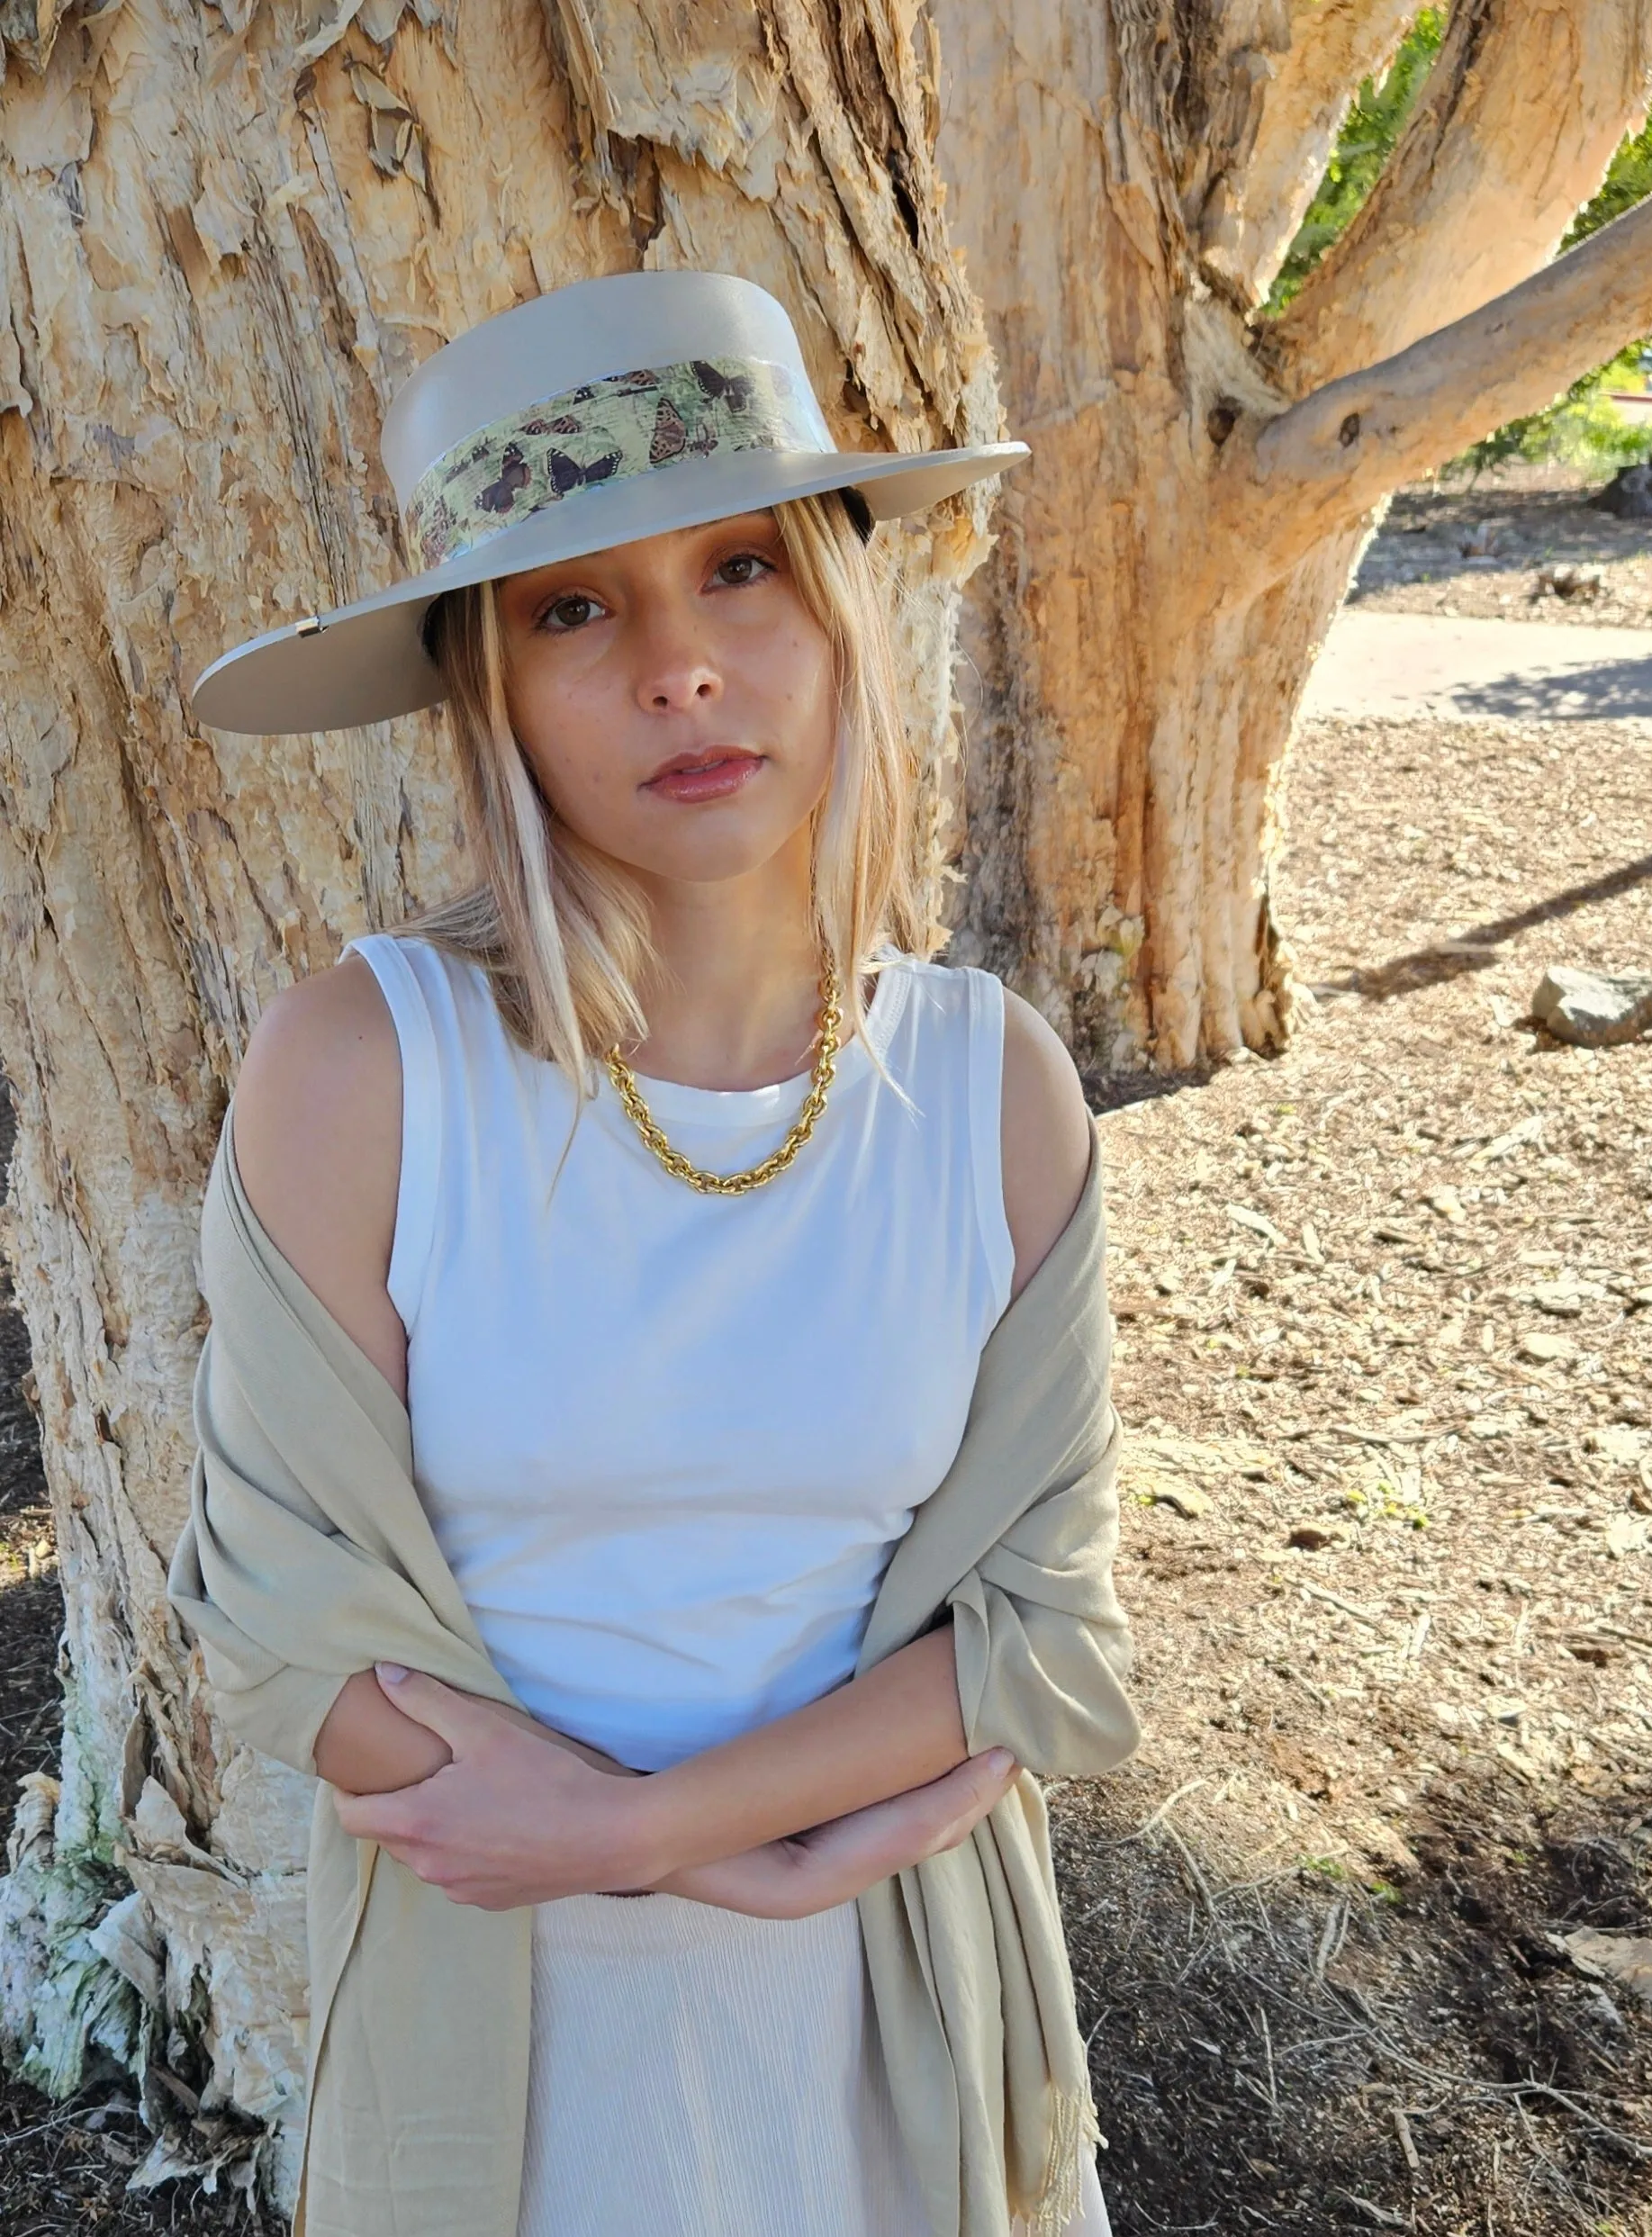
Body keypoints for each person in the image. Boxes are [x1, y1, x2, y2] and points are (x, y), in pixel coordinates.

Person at [186, 269, 1121, 2236]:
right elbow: (282, 1620)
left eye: (741, 573)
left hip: (891, 2004)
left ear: (843, 613)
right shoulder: (365, 1069)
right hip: (499, 2016)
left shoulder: (987, 1092)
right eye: (574, 608)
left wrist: (661, 1833)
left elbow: (1041, 1641)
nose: (679, 670)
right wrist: (660, 1856)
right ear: (489, 684)